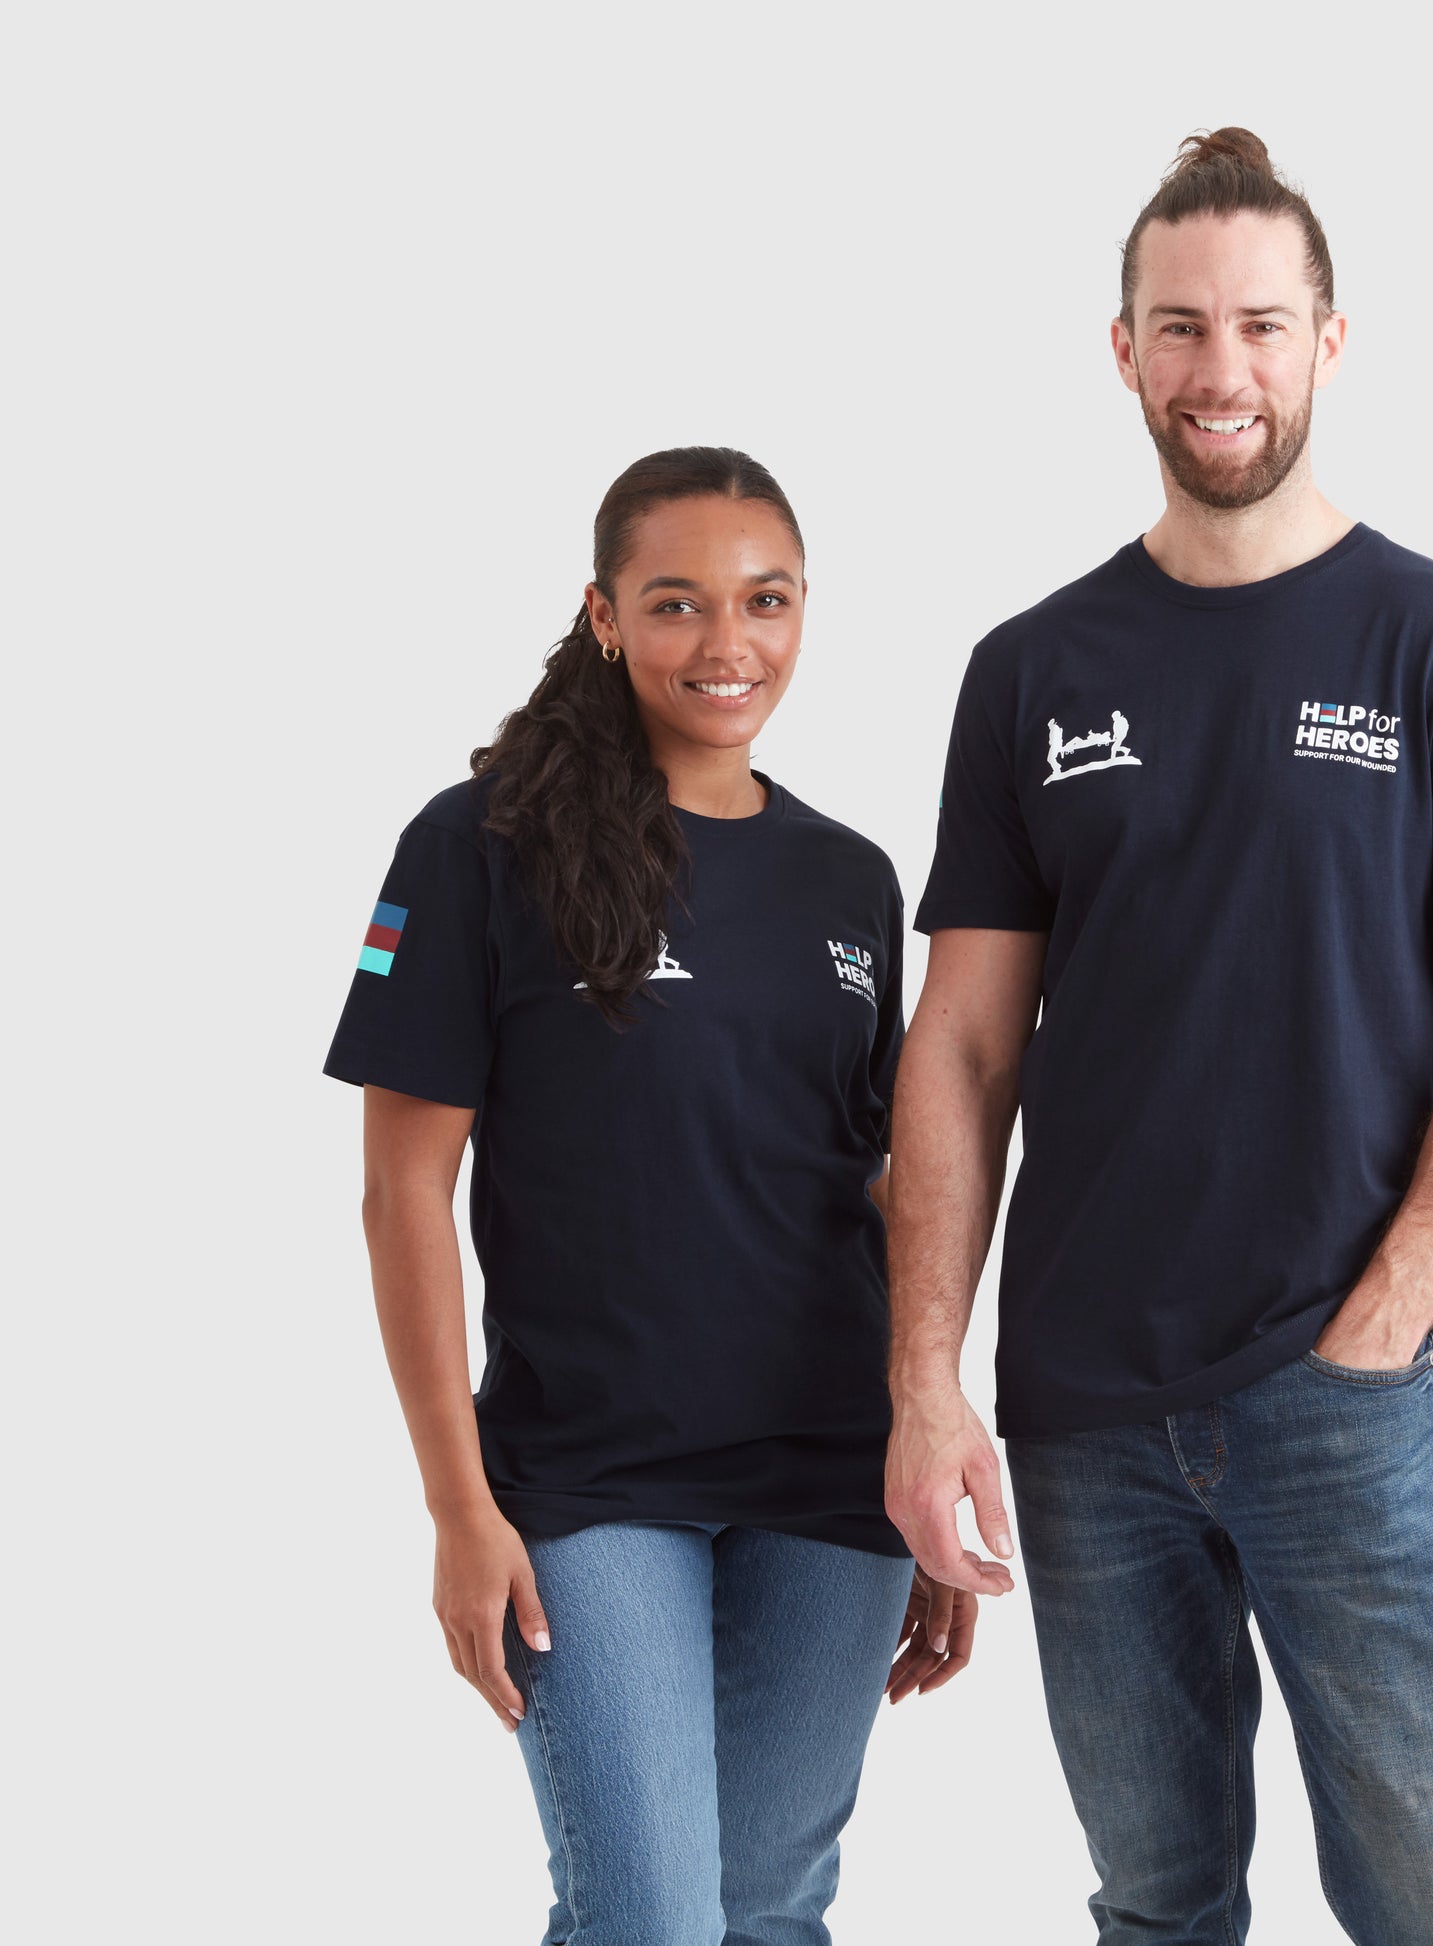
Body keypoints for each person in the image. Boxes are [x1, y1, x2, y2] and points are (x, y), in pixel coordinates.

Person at [883, 130, 1433, 1944]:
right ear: (1119, 348)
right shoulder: (1029, 668)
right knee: (1157, 1901)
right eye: (1181, 326)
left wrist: (1376, 1326)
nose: (1223, 372)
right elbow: (960, 1053)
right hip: (1082, 1416)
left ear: (1329, 343)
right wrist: (925, 1382)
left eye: (1261, 326)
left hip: (1341, 1399)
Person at [325, 448, 973, 1946]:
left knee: (769, 1911)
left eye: (765, 601)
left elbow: (878, 1189)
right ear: (605, 616)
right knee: (650, 1921)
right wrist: (455, 1504)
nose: (725, 644)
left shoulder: (849, 878)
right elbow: (400, 1193)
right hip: (589, 1480)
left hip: (830, 1484)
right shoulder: (476, 847)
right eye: (675, 604)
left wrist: (922, 1447)